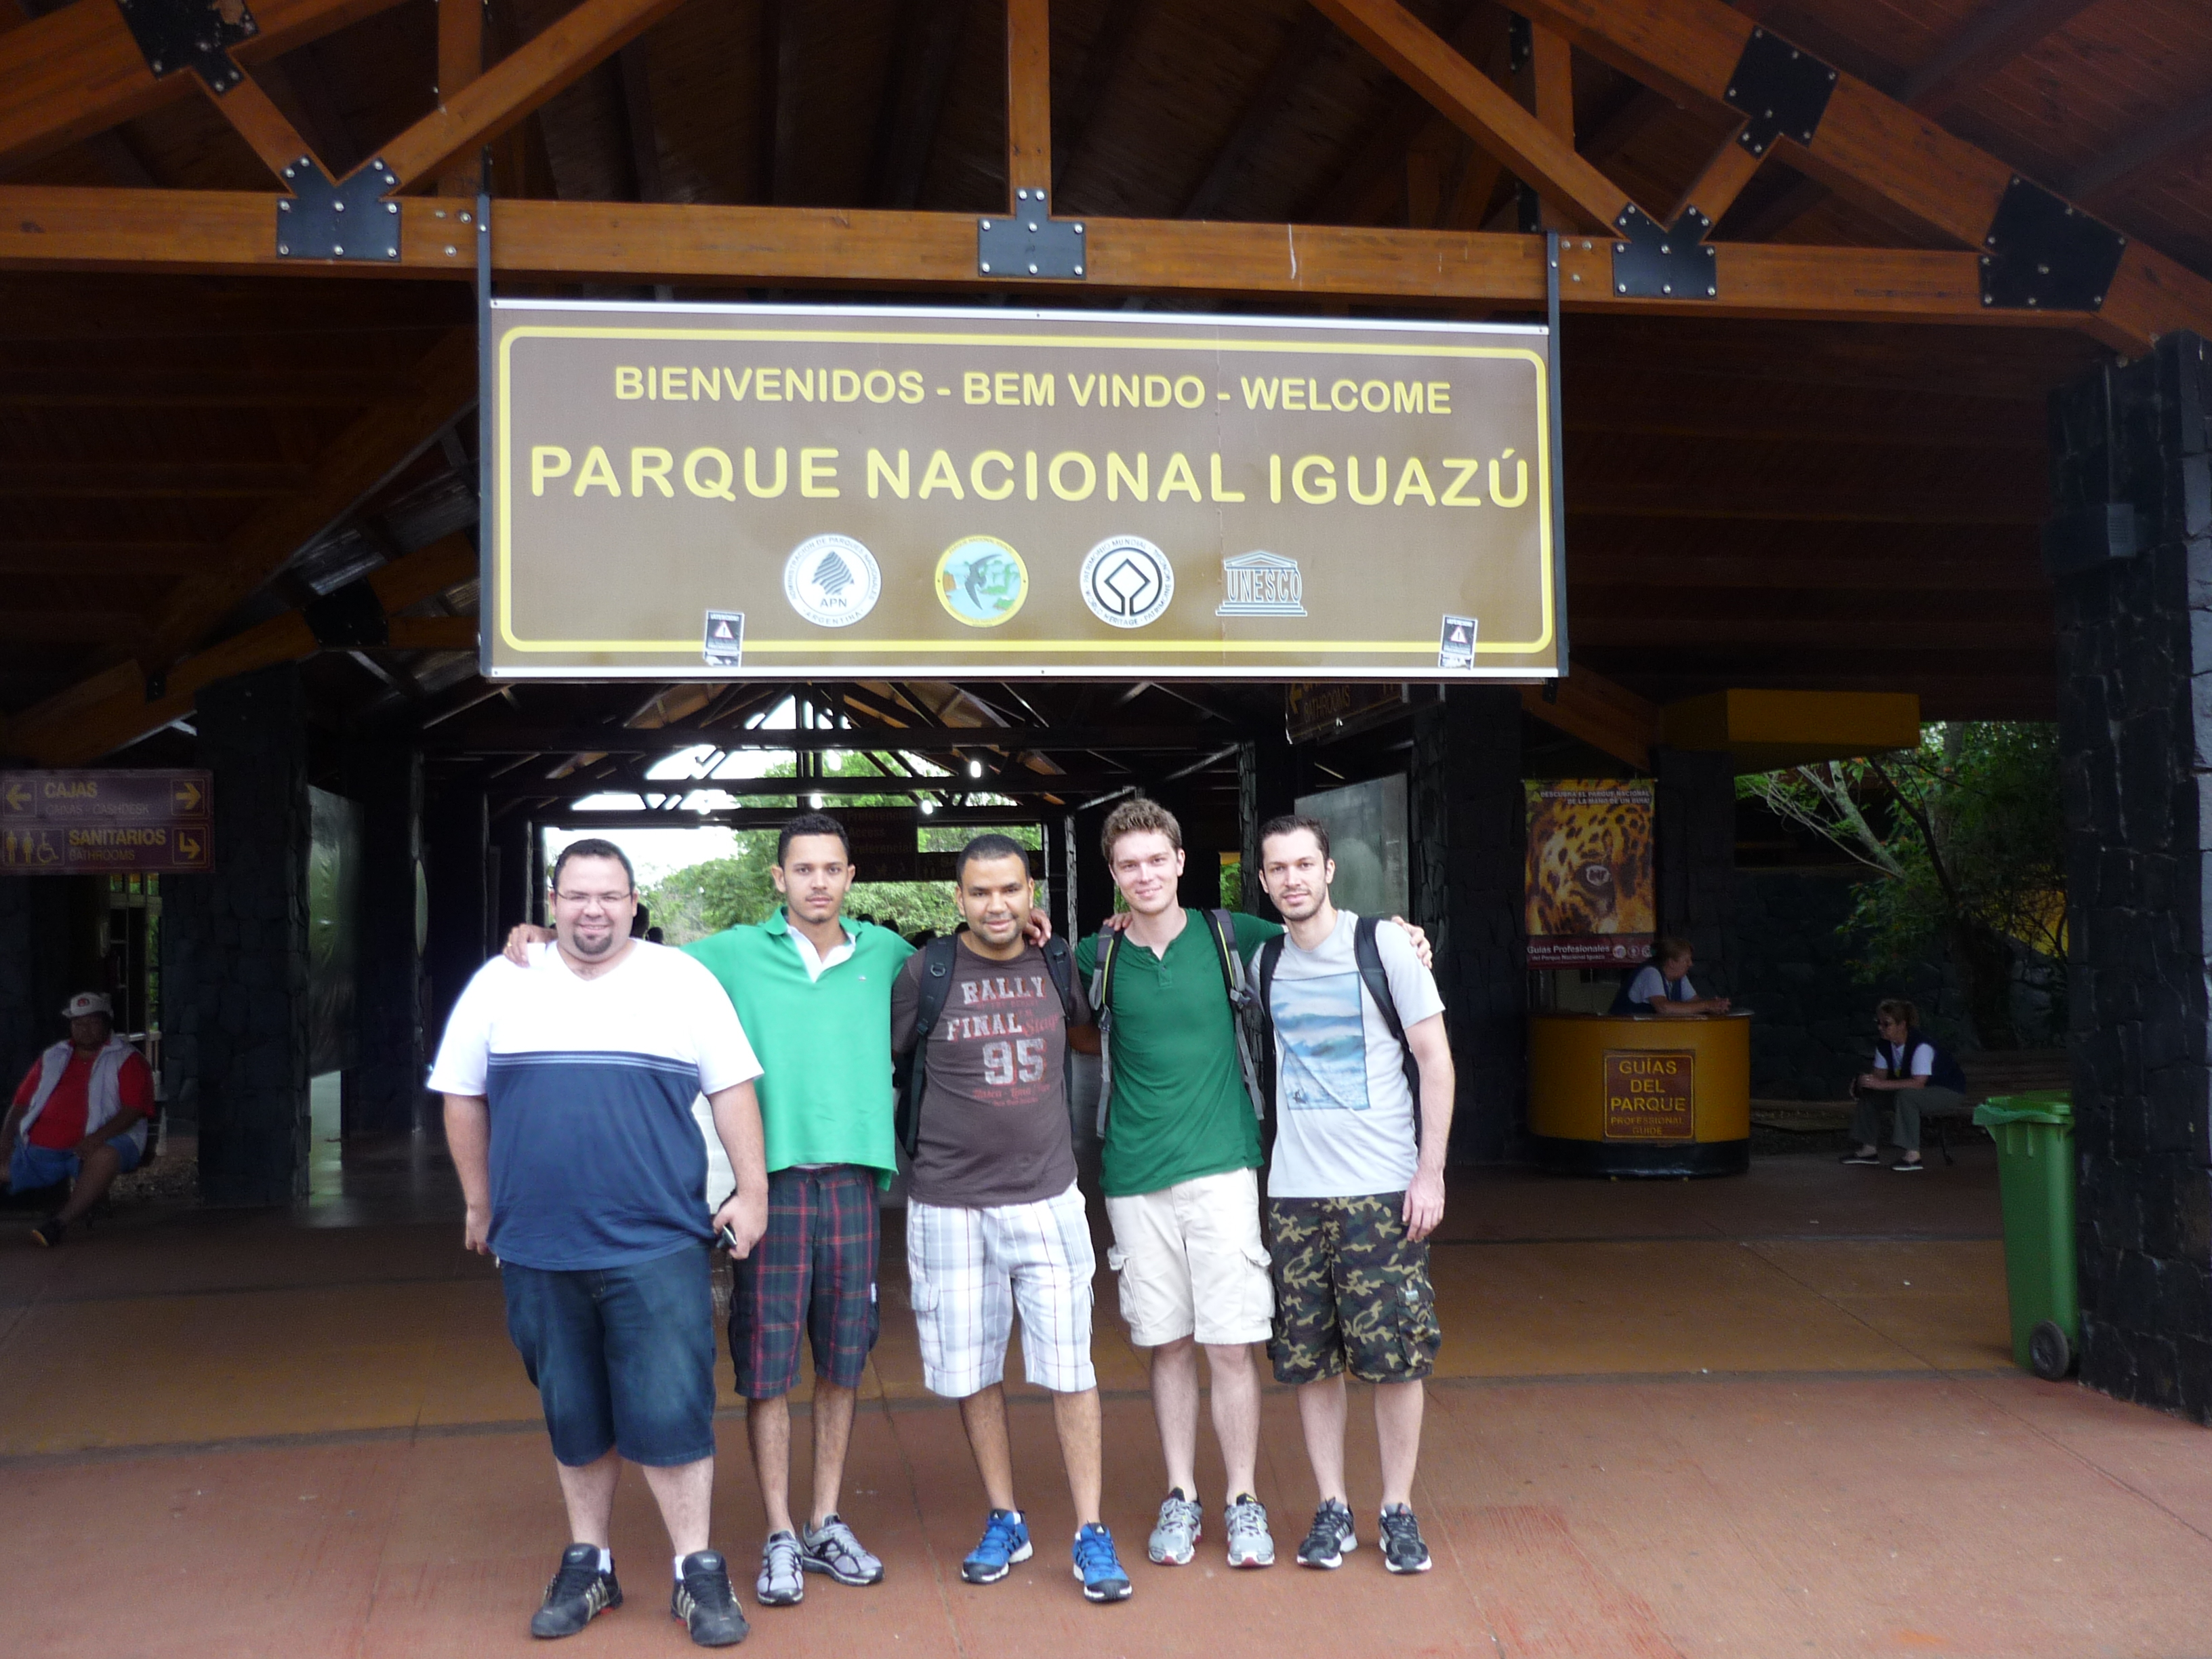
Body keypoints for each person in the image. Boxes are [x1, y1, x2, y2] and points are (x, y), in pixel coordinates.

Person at [1067, 798, 1434, 1572]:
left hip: (1229, 1169)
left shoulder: (1233, 937)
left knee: (1233, 1347)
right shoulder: (1093, 957)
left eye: (1155, 859)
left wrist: (1402, 932)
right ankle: (1180, 1494)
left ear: (1179, 863)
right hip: (1133, 1176)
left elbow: (1322, 926)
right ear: (1113, 875)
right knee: (1166, 1345)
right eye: (1128, 865)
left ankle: (1242, 1499)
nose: (1144, 874)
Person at [431, 837, 769, 1647]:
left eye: (609, 896)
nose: (593, 910)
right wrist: (479, 1200)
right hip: (541, 1247)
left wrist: (752, 1190)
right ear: (553, 902)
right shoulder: (502, 982)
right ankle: (592, 1562)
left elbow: (732, 1089)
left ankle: (697, 1569)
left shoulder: (681, 980)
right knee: (572, 1410)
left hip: (657, 1242)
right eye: (577, 896)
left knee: (674, 1406)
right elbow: (461, 1093)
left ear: (631, 903)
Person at [889, 833, 1132, 1604]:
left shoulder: (1059, 965)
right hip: (946, 1204)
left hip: (1047, 1197)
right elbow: (881, 1063)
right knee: (974, 1371)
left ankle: (1091, 1531)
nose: (997, 905)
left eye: (1010, 890)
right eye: (980, 892)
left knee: (1071, 1369)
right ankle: (1006, 1516)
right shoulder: (921, 973)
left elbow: (1095, 1031)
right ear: (957, 899)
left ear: (1033, 896)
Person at [1252, 814, 1455, 1576]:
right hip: (1295, 1193)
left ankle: (1396, 1508)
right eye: (1278, 869)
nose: (1294, 879)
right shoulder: (1261, 959)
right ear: (1265, 882)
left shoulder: (1387, 947)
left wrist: (1429, 1171)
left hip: (1380, 1191)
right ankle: (1332, 1506)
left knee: (1396, 1357)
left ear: (1330, 870)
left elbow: (1435, 1059)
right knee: (1309, 1360)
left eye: (1306, 864)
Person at [0, 991, 155, 1248]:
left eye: (92, 1022)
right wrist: (5, 1140)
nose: (84, 1029)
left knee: (106, 1156)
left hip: (101, 1143)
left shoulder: (126, 1058)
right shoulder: (53, 1056)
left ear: (107, 1023)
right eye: (78, 1023)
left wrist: (97, 1138)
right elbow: (21, 1104)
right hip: (40, 1151)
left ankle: (58, 1224)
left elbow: (133, 1109)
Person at [1844, 998, 1969, 1172]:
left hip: (1947, 1091)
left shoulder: (1921, 1046)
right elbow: (1879, 1077)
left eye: (1886, 1024)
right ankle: (1868, 1150)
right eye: (1878, 1023)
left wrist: (1880, 1084)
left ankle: (1913, 1156)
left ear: (1902, 1025)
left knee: (1907, 1096)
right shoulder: (1884, 1045)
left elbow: (1919, 1083)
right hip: (1917, 1089)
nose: (1880, 1027)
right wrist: (1865, 1082)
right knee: (1871, 1094)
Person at [1610, 936, 1732, 1017]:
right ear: (1672, 963)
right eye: (1686, 960)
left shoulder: (1680, 977)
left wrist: (1714, 1006)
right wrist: (1707, 1006)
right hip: (1625, 1036)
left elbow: (1695, 1003)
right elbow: (1663, 1008)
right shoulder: (1650, 973)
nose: (1691, 964)